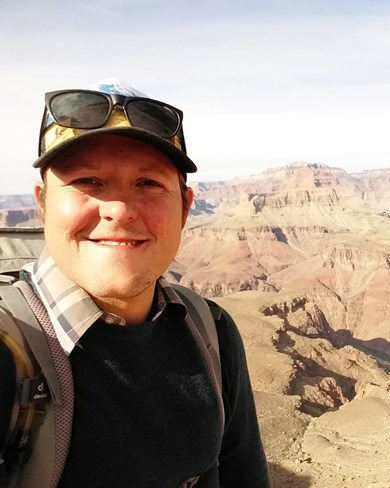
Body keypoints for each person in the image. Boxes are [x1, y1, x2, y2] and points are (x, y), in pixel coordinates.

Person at [0, 79, 270, 487]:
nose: (121, 211)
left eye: (148, 183)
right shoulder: (8, 351)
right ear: (41, 202)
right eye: (87, 181)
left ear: (184, 207)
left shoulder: (210, 329)